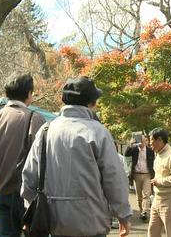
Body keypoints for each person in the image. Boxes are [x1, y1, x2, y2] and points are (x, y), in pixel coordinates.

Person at [21, 76, 131, 237]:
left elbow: (29, 177)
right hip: (91, 223)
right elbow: (114, 178)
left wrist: (31, 209)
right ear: (92, 103)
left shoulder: (46, 130)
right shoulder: (98, 132)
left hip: (53, 222)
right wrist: (123, 215)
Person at [0, 73, 46, 237]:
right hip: (27, 194)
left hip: (1, 189)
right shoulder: (34, 119)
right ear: (29, 94)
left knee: (6, 233)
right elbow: (42, 159)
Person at [148, 128, 171, 237]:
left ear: (159, 140)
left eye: (151, 141)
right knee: (153, 231)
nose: (150, 144)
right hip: (157, 198)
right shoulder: (158, 154)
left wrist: (159, 181)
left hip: (170, 199)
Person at [124, 135, 155, 221]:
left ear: (146, 141)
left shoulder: (149, 151)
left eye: (143, 140)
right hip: (137, 174)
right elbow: (126, 154)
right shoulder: (134, 149)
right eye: (139, 141)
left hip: (147, 174)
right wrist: (130, 144)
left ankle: (145, 211)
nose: (141, 142)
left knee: (146, 194)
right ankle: (141, 211)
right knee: (139, 196)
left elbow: (153, 161)